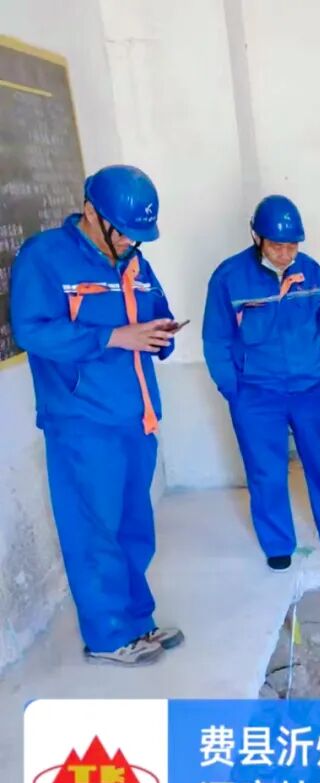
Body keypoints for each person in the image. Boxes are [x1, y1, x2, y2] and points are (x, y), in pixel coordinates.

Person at [10, 165, 183, 666]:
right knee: (93, 532)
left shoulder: (135, 261)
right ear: (91, 212)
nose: (130, 242)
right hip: (83, 422)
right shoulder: (45, 257)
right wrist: (113, 337)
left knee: (134, 527)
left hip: (136, 416)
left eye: (137, 235)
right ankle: (108, 636)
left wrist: (161, 335)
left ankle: (137, 621)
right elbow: (32, 330)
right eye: (123, 231)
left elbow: (155, 309)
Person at [203, 195, 320, 571]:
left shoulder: (312, 272)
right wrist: (233, 390)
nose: (285, 254)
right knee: (266, 470)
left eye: (292, 245)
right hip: (257, 393)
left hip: (314, 389)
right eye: (277, 246)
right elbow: (215, 339)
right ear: (257, 237)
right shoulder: (229, 278)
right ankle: (278, 543)